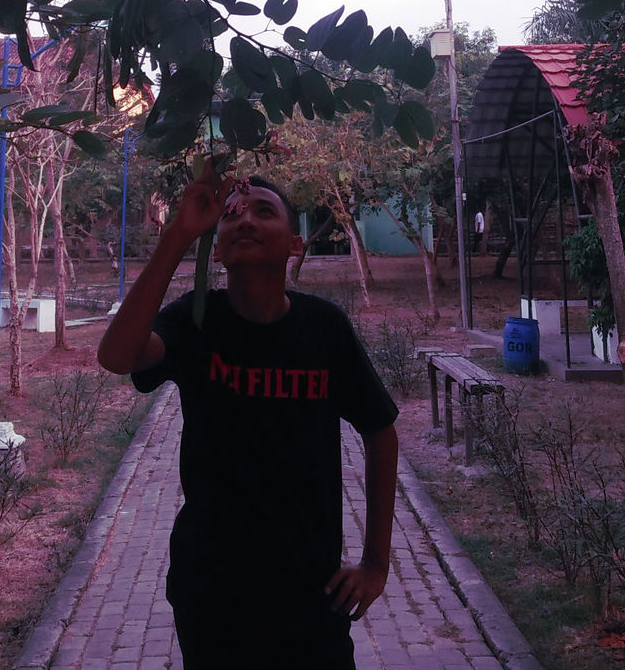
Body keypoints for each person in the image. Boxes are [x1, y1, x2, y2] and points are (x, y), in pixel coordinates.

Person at [97, 160, 399, 670]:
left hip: (311, 589)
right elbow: (116, 356)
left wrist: (375, 563)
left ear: (294, 245)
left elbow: (381, 431)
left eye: (264, 211)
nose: (246, 220)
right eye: (232, 214)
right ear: (217, 249)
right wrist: (181, 233)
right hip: (213, 590)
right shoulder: (196, 321)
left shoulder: (323, 328)